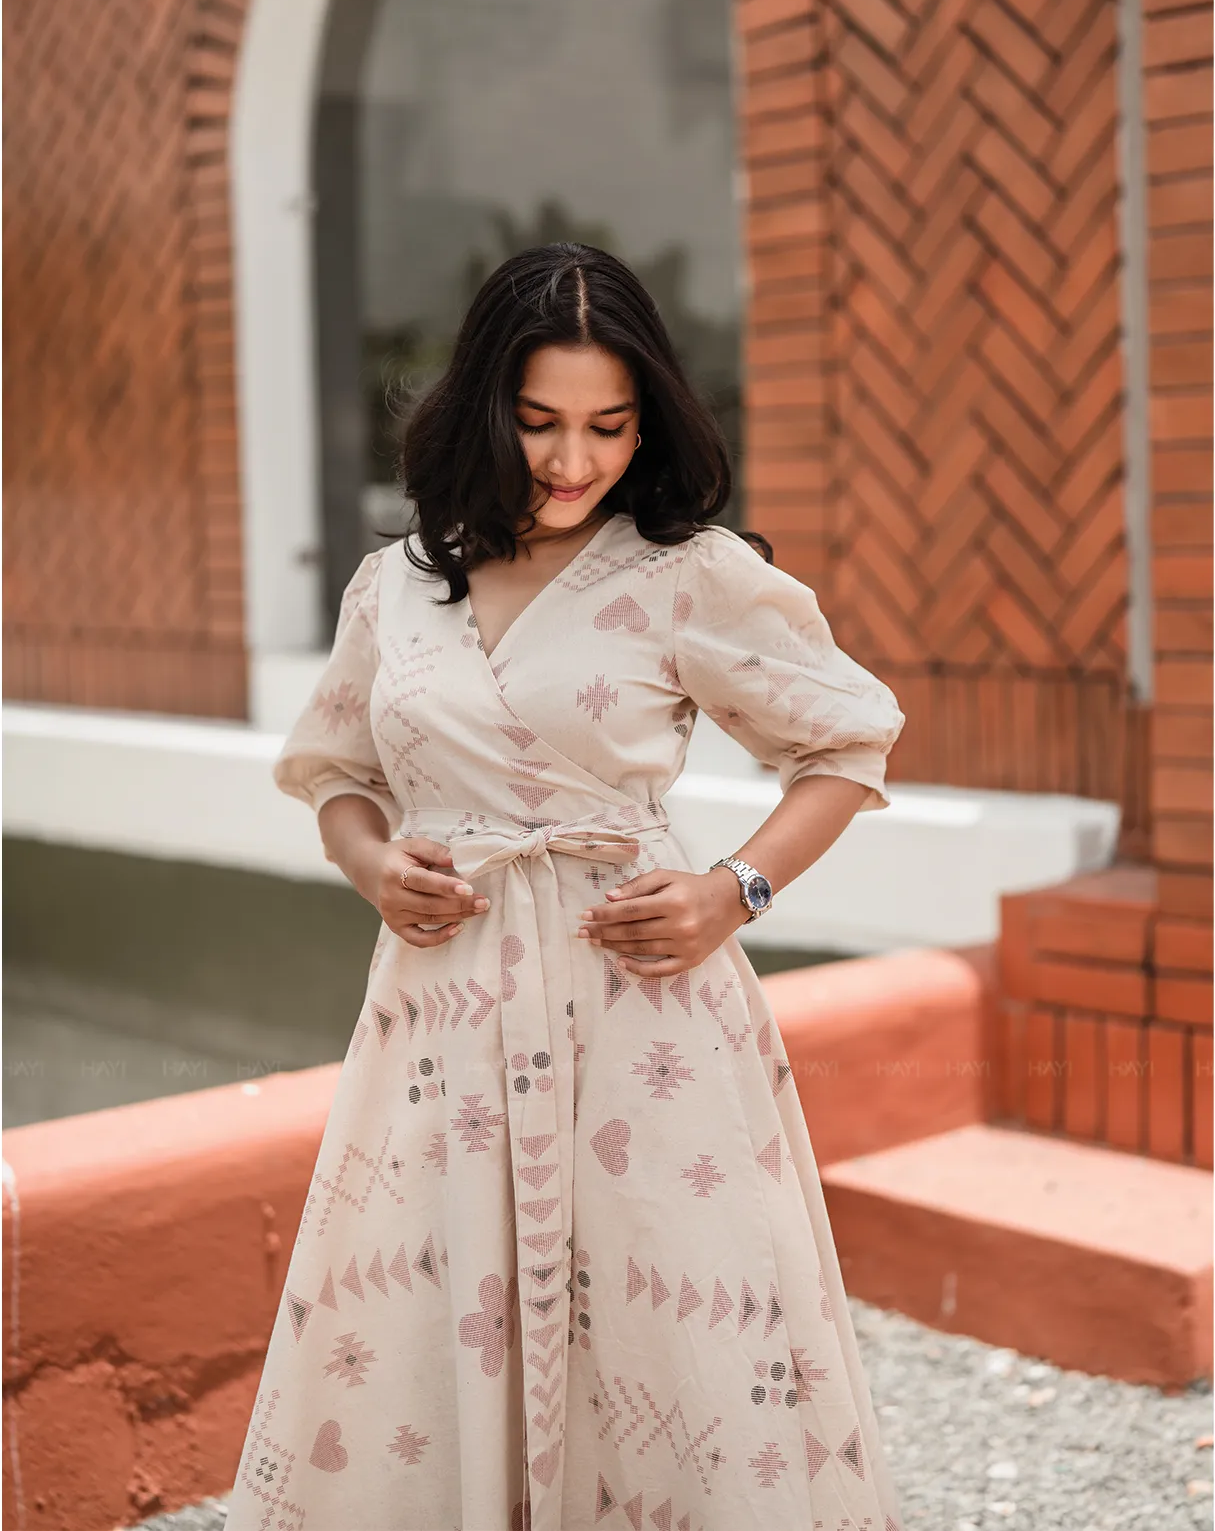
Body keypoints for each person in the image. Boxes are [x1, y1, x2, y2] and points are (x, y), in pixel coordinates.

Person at [225, 242, 907, 1531]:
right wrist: (373, 863)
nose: (573, 461)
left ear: (648, 424)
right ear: (486, 407)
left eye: (608, 425)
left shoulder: (685, 573)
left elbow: (848, 745)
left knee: (672, 1329)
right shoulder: (399, 588)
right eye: (539, 422)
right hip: (445, 1016)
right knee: (431, 1325)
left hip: (643, 1004)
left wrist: (735, 892)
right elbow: (335, 772)